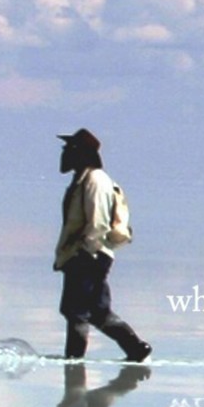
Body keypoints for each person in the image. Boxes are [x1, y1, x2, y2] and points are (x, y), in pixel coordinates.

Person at [53, 128, 152, 363]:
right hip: (90, 253)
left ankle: (74, 360)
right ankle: (136, 348)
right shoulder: (84, 178)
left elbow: (96, 221)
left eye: (69, 149)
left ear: (80, 153)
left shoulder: (95, 180)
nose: (65, 153)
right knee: (98, 312)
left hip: (89, 253)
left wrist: (84, 252)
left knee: (75, 311)